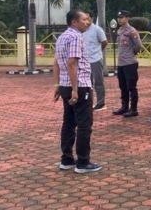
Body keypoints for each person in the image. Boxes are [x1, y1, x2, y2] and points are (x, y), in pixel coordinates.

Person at [53, 9, 101, 173]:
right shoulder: (75, 37)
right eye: (84, 20)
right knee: (84, 124)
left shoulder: (62, 37)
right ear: (74, 22)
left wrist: (57, 85)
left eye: (88, 20)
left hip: (66, 85)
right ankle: (83, 162)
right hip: (79, 86)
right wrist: (75, 90)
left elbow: (56, 63)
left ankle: (66, 159)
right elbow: (72, 63)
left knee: (68, 123)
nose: (87, 22)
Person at [112, 10, 142, 117]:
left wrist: (132, 53)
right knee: (122, 86)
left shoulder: (131, 31)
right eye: (118, 17)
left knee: (131, 87)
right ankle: (124, 107)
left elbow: (138, 45)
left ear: (127, 18)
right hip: (121, 64)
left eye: (122, 17)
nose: (119, 19)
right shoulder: (119, 30)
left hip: (130, 63)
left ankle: (133, 109)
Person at [83, 14, 108, 111]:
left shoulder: (97, 30)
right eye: (84, 19)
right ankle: (88, 102)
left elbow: (105, 42)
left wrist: (98, 52)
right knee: (87, 83)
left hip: (96, 60)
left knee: (98, 82)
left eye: (88, 18)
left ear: (92, 18)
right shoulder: (83, 30)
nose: (86, 20)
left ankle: (101, 103)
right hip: (85, 61)